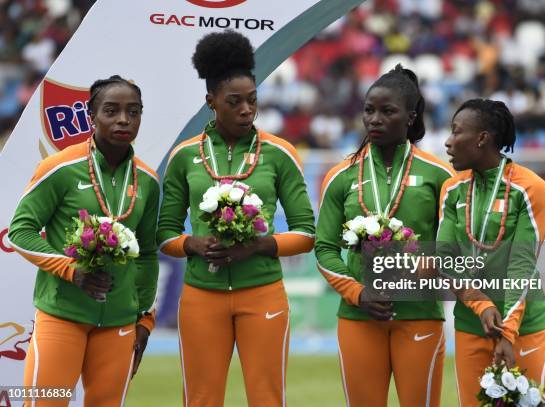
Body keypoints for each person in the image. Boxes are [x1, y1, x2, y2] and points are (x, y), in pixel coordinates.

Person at [156, 30, 315, 406]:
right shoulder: (184, 156)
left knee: (267, 399)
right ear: (211, 101)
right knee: (200, 399)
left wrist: (258, 246)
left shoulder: (280, 153)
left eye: (252, 100)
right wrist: (191, 244)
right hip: (200, 297)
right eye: (234, 101)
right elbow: (163, 233)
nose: (246, 109)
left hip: (263, 294)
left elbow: (307, 233)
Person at [9, 75, 159, 406]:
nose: (124, 119)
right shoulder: (60, 168)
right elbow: (20, 231)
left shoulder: (148, 180)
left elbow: (147, 254)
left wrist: (145, 317)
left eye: (133, 112)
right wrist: (72, 270)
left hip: (119, 321)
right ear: (91, 116)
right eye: (112, 110)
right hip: (62, 314)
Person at [314, 64, 455, 407]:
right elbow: (324, 248)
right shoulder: (341, 175)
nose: (374, 119)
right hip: (358, 316)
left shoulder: (440, 175)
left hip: (420, 313)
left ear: (410, 116)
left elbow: (452, 247)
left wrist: (420, 272)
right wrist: (358, 293)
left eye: (387, 111)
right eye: (369, 110)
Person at [438, 98, 545, 407]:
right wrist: (482, 306)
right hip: (470, 324)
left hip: (524, 327)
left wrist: (508, 334)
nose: (448, 142)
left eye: (456, 131)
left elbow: (522, 264)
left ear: (482, 138)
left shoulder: (530, 188)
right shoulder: (452, 189)